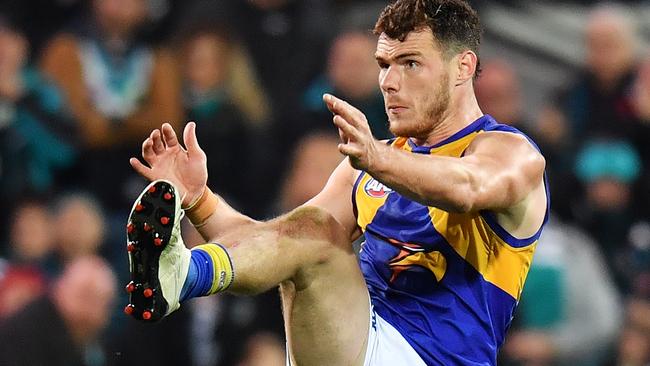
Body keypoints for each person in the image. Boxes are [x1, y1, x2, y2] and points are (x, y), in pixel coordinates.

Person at [126, 1, 548, 365]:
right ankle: (181, 276)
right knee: (310, 233)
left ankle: (180, 276)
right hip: (361, 341)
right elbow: (273, 245)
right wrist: (200, 199)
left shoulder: (511, 153)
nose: (389, 81)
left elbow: (466, 188)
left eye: (410, 63)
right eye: (384, 64)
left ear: (463, 66)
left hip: (433, 357)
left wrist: (380, 159)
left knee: (319, 236)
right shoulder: (371, 163)